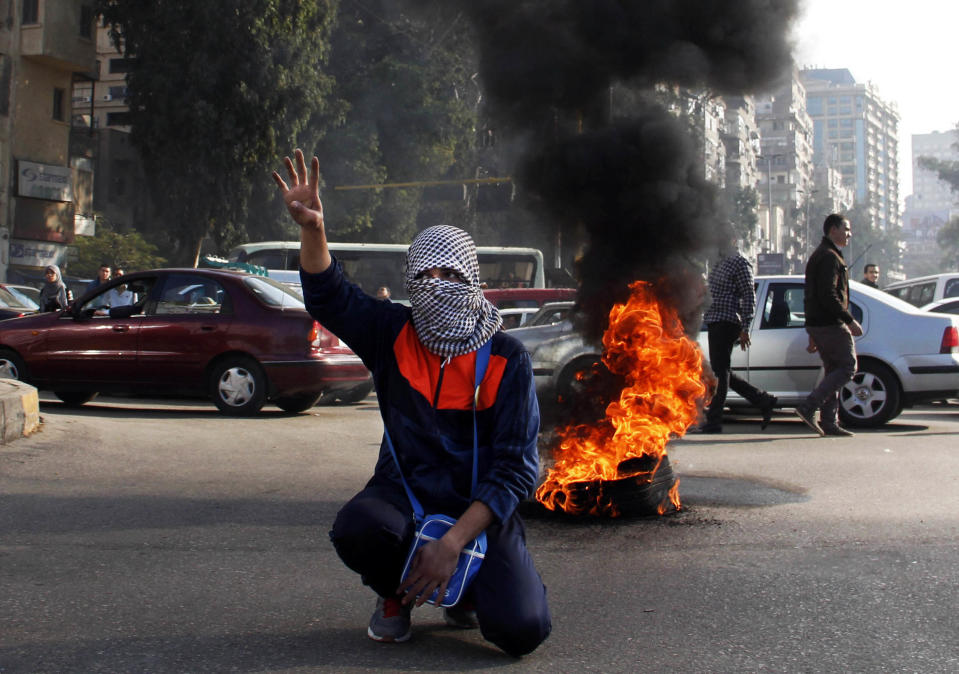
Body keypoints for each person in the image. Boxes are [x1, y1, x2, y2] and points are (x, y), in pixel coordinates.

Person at [273, 149, 550, 656]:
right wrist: (313, 228)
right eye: (423, 276)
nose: (435, 286)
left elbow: (515, 469)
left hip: (478, 508)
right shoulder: (391, 332)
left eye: (449, 276)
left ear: (473, 282)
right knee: (360, 528)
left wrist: (452, 544)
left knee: (523, 629)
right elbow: (329, 296)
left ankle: (463, 589)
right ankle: (394, 595)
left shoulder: (508, 359)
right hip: (406, 493)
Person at [795, 213, 863, 437]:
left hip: (819, 323)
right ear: (833, 229)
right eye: (846, 229)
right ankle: (809, 405)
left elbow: (810, 295)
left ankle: (829, 422)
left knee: (833, 370)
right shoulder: (829, 257)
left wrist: (811, 330)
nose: (849, 234)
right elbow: (827, 294)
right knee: (847, 367)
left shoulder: (823, 254)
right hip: (830, 323)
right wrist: (849, 320)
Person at [699, 245, 777, 433]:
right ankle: (763, 400)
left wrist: (746, 328)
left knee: (719, 372)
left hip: (727, 321)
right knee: (722, 370)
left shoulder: (740, 262)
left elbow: (749, 296)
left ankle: (714, 421)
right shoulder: (717, 261)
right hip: (714, 320)